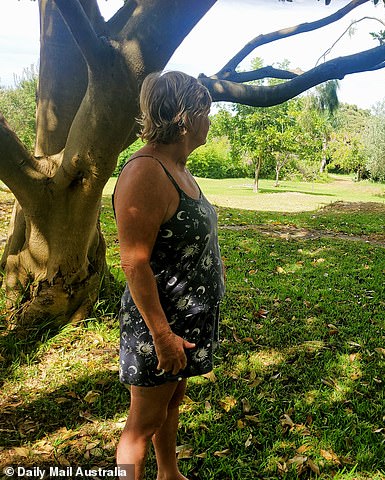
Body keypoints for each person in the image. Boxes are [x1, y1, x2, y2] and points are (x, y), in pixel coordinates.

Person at [113, 71, 225, 480]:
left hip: (185, 317)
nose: (210, 121)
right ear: (185, 117)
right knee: (141, 423)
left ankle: (168, 473)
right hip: (157, 323)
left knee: (172, 399)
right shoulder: (145, 171)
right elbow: (134, 262)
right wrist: (161, 334)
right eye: (206, 111)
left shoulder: (177, 165)